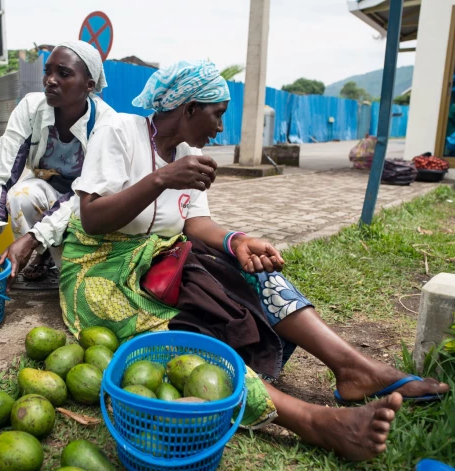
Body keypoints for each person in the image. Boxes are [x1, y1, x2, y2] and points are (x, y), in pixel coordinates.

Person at [59, 60, 450, 461]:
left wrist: (237, 240)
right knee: (175, 339)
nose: (221, 128)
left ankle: (354, 369)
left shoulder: (187, 153)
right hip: (99, 267)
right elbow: (92, 215)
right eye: (218, 114)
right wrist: (161, 179)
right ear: (190, 108)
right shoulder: (120, 131)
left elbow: (196, 222)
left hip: (160, 259)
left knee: (261, 276)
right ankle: (313, 421)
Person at [0, 41, 115, 284]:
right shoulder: (31, 109)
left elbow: (87, 194)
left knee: (80, 277)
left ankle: (49, 252)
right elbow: (2, 173)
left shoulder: (106, 123)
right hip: (49, 189)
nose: (50, 80)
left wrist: (33, 237)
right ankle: (44, 257)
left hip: (88, 202)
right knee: (21, 194)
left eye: (63, 73)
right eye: (48, 71)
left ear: (89, 85)